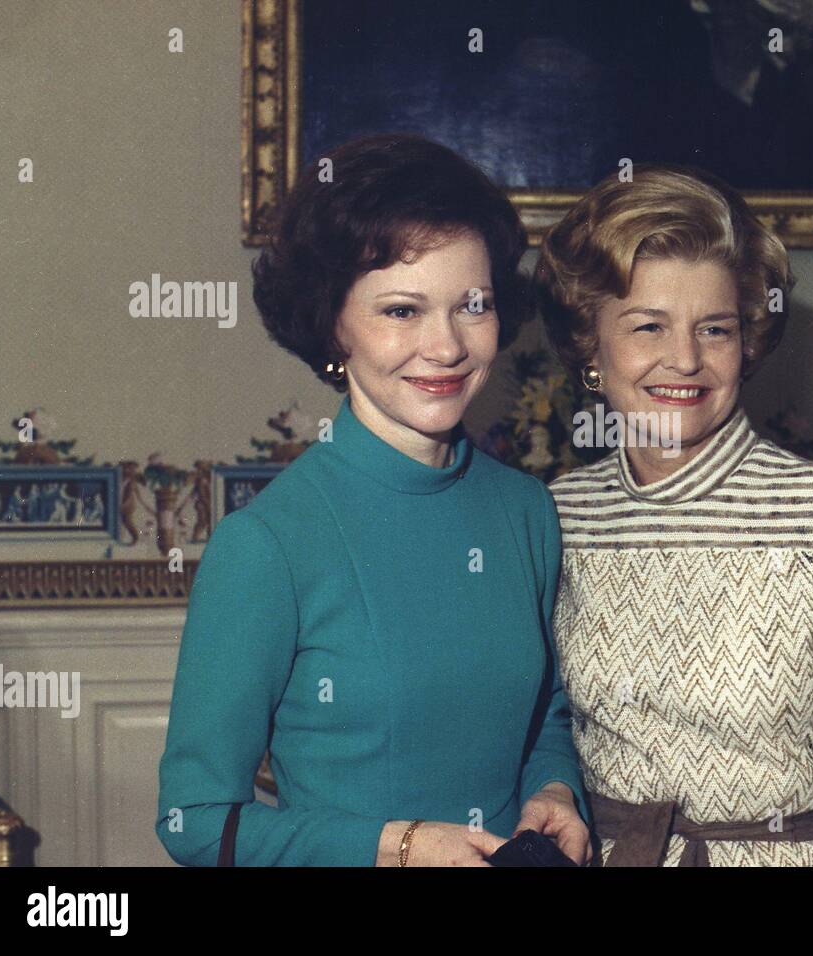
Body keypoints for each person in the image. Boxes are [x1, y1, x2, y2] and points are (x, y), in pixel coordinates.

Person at [156, 134, 589, 866]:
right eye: (401, 311)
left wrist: (553, 790)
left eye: (470, 306)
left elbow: (545, 713)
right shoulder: (267, 545)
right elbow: (193, 822)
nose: (445, 346)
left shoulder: (525, 511)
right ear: (334, 325)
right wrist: (398, 845)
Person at [534, 165, 813, 866]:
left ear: (747, 341)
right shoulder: (554, 516)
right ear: (590, 347)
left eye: (715, 329)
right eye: (648, 326)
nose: (685, 360)